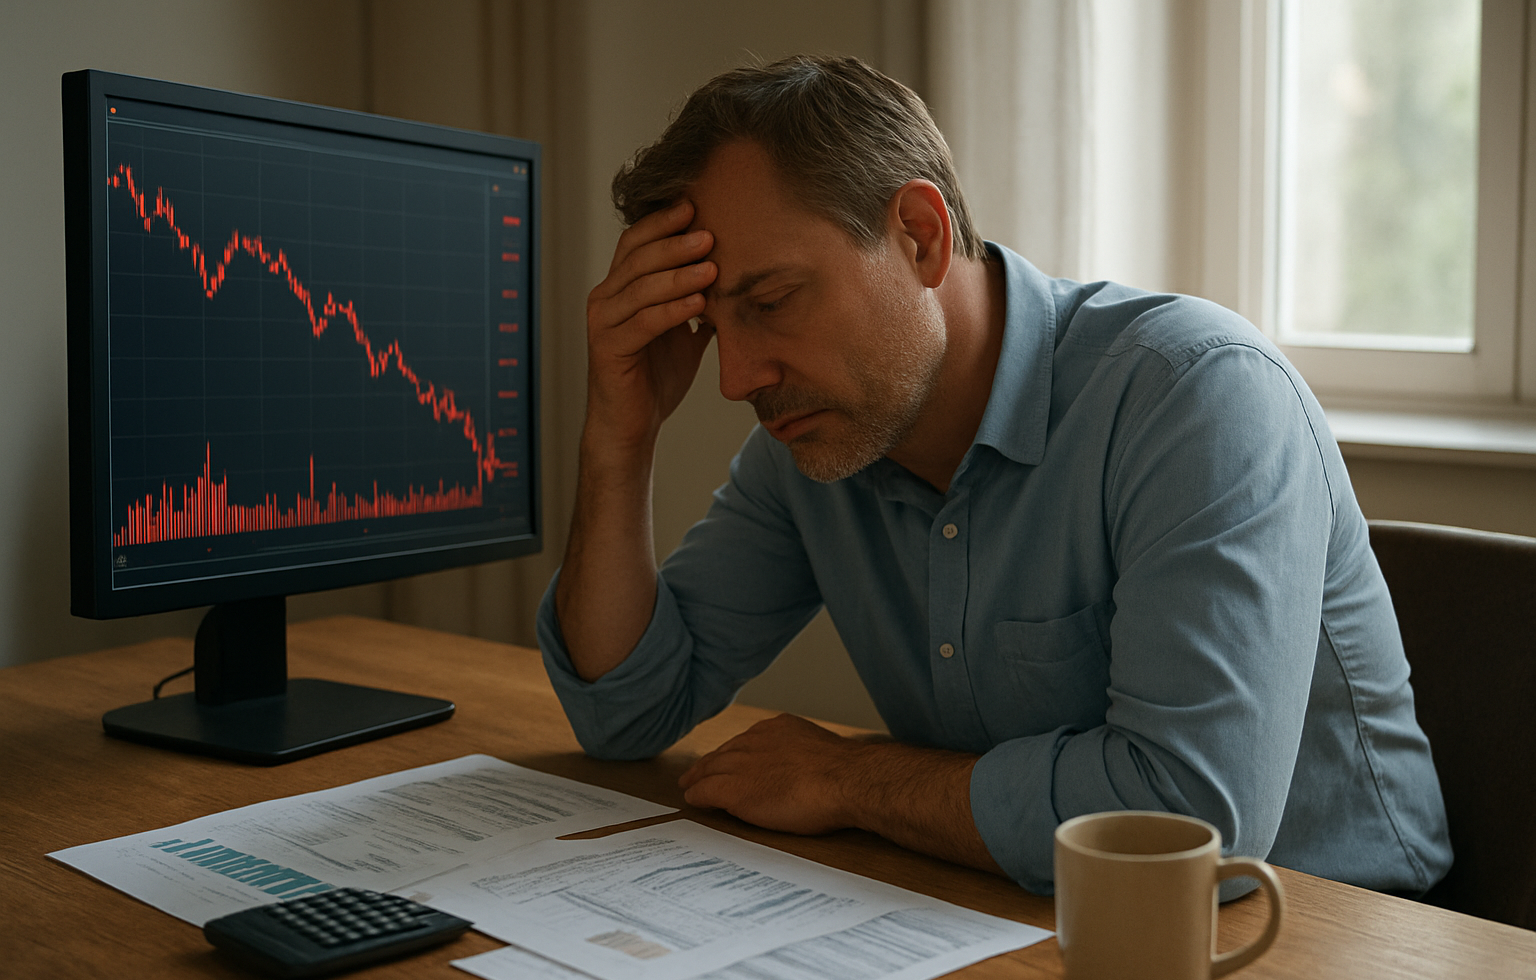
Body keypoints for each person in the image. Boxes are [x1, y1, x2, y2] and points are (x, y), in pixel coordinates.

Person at [537, 54, 1451, 896]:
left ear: (921, 236)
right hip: (1024, 919)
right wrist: (621, 435)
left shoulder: (1196, 396)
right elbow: (627, 711)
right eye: (712, 328)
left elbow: (1190, 824)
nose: (737, 379)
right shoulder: (819, 444)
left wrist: (853, 779)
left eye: (770, 303)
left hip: (1333, 941)